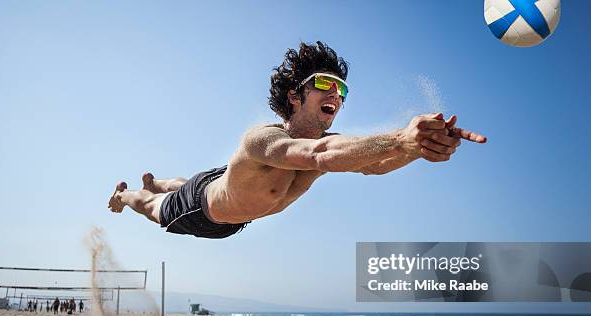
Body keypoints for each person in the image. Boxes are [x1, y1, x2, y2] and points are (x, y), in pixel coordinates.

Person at [108, 42, 486, 239]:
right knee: (155, 206)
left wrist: (418, 149)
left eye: (342, 90)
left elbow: (375, 164)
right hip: (204, 211)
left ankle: (160, 180)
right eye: (325, 84)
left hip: (234, 200)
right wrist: (403, 137)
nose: (336, 96)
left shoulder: (335, 144)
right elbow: (317, 154)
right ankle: (128, 194)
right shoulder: (263, 139)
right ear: (294, 96)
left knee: (182, 181)